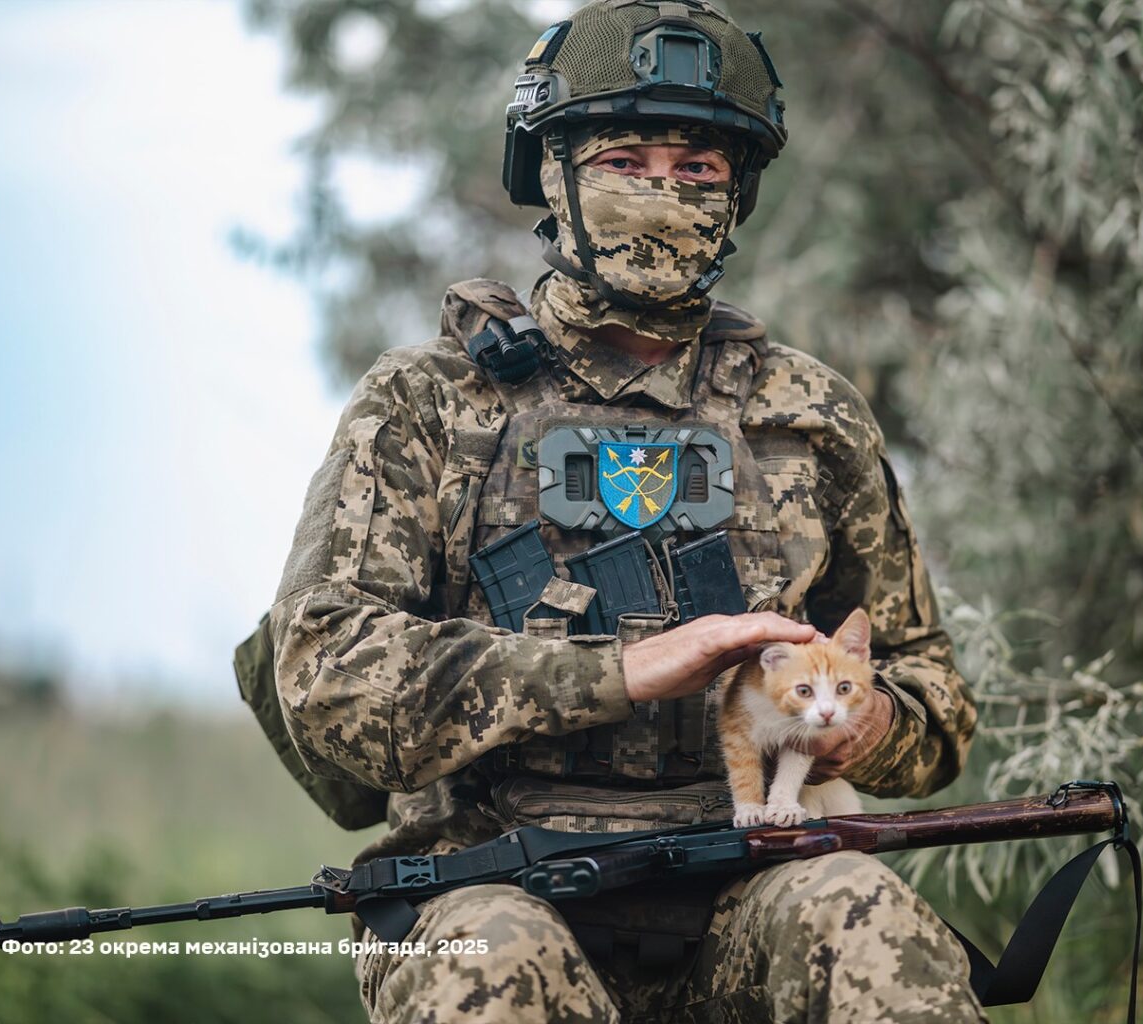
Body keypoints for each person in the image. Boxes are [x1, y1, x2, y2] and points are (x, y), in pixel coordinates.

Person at [266, 1, 981, 1020]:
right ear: (553, 175)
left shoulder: (809, 413)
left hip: (749, 879)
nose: (664, 191)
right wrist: (620, 673)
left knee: (867, 920)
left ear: (740, 195)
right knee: (491, 958)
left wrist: (862, 724)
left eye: (699, 170)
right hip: (493, 883)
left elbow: (935, 699)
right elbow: (325, 672)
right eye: (626, 160)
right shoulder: (427, 404)